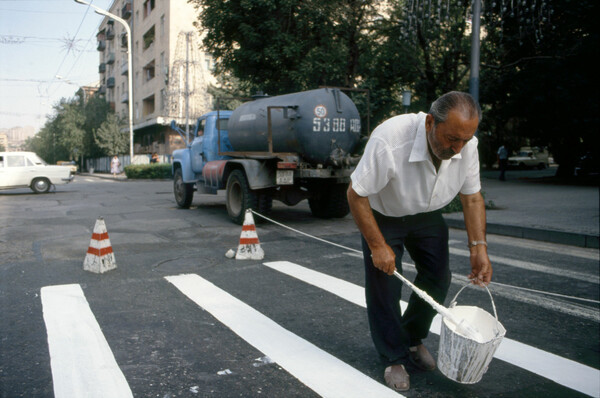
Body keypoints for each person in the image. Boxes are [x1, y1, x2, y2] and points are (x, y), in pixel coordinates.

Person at [347, 91, 492, 392]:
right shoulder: (390, 139)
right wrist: (377, 245)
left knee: (438, 277)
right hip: (384, 213)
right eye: (452, 138)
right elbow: (356, 194)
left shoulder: (467, 145)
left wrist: (479, 248)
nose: (457, 148)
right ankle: (393, 356)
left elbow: (472, 197)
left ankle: (412, 339)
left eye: (465, 140)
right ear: (429, 122)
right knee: (385, 283)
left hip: (426, 214)